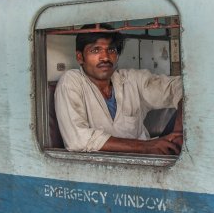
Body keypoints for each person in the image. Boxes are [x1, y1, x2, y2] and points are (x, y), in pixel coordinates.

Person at [54, 25, 184, 155]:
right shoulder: (71, 82)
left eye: (111, 50)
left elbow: (181, 87)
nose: (105, 57)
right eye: (95, 50)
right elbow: (78, 140)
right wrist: (146, 146)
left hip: (143, 164)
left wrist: (179, 131)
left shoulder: (132, 80)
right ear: (80, 57)